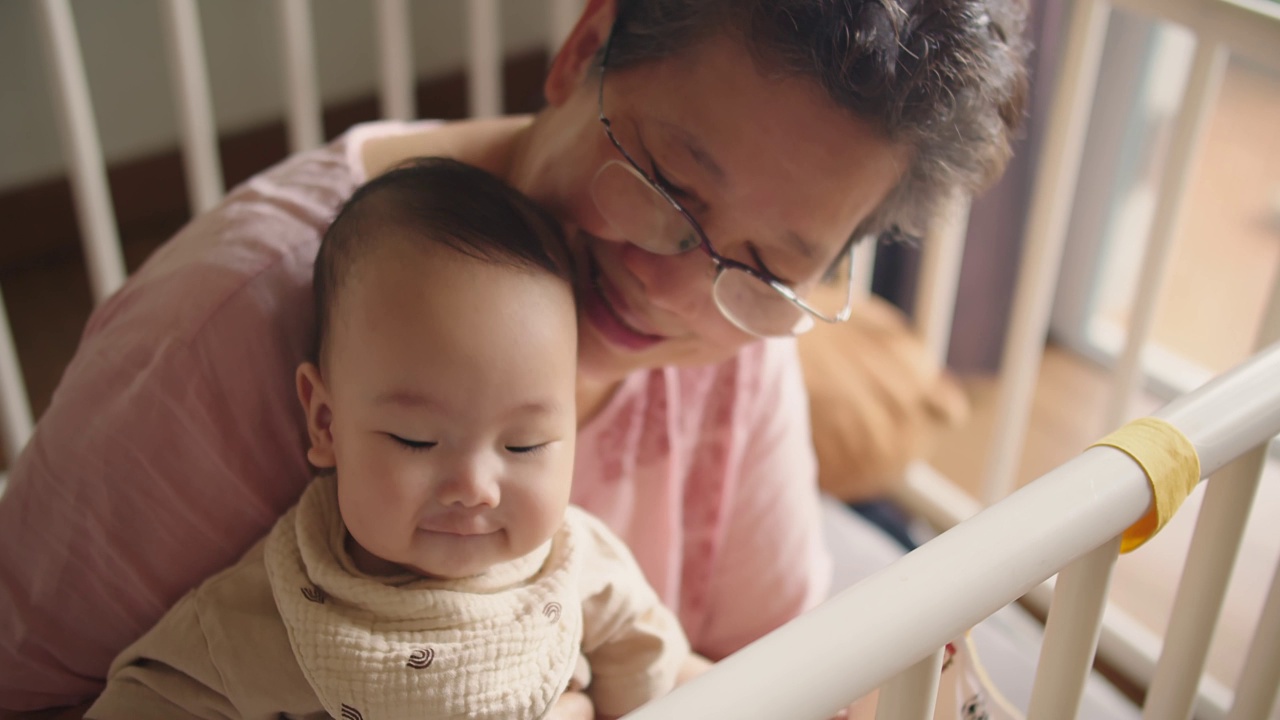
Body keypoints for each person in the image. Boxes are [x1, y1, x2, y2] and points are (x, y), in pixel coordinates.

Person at [0, 1, 1028, 717]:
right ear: (584, 46)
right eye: (668, 186)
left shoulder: (735, 327)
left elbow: (771, 661)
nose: (671, 289)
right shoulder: (224, 331)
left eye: (766, 263)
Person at [86, 158, 690, 720]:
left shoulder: (581, 567)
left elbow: (673, 680)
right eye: (416, 440)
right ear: (326, 424)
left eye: (525, 444)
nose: (474, 488)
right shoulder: (268, 612)